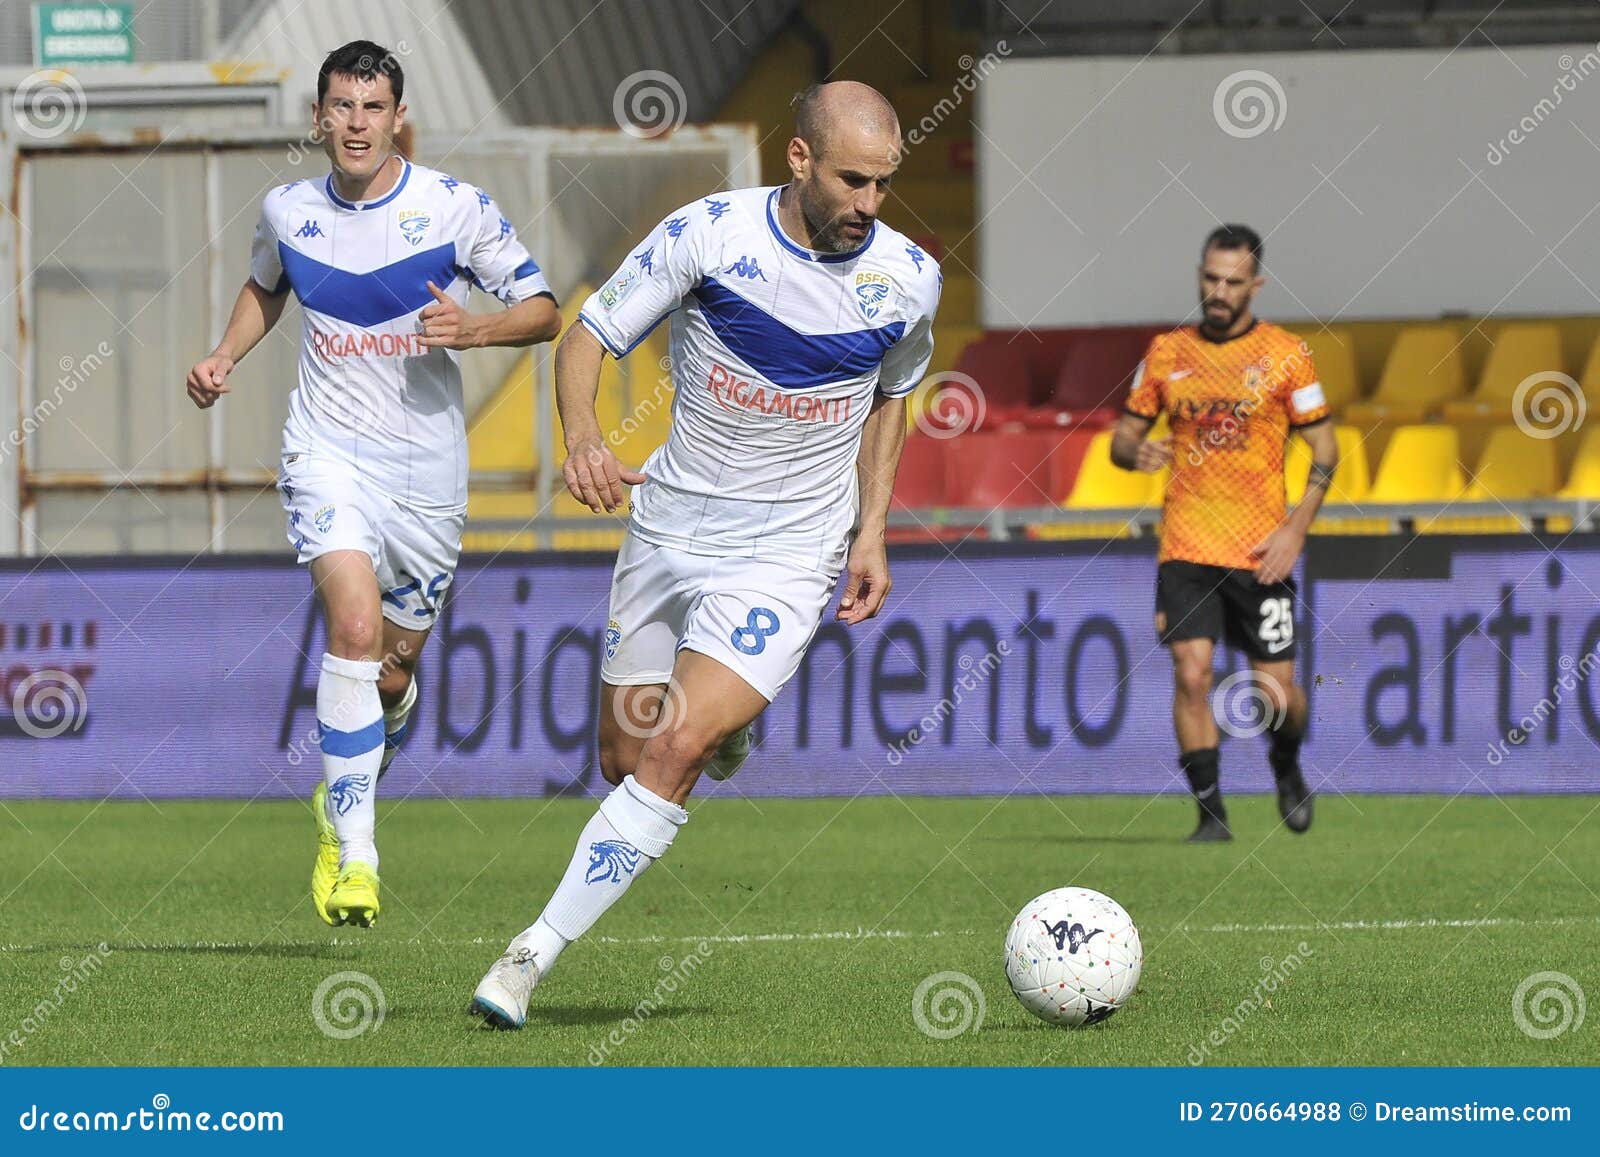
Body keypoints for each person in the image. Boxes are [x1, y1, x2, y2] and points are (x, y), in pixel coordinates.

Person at [468, 80, 941, 1028]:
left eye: (885, 185)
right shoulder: (707, 236)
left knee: (674, 747)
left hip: (788, 553)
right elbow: (587, 338)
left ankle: (529, 955)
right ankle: (730, 726)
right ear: (799, 159)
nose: (869, 205)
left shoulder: (909, 277)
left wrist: (871, 529)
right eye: (854, 180)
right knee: (625, 754)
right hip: (670, 529)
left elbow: (893, 397)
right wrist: (585, 439)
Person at [185, 40, 560, 925]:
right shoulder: (286, 209)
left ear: (399, 120)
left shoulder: (454, 209)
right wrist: (223, 353)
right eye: (341, 107)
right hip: (327, 451)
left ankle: (351, 779)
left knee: (390, 670)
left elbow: (545, 312)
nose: (355, 124)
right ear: (319, 118)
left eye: (372, 107)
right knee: (351, 625)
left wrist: (474, 332)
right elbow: (265, 286)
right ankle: (357, 853)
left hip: (426, 469)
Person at [1110, 224, 1338, 842]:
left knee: (1277, 693)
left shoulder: (1288, 355)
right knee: (1192, 673)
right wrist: (1137, 453)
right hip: (1186, 545)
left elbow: (1325, 447)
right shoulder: (1166, 352)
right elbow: (1122, 441)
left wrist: (1296, 529)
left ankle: (1286, 765)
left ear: (1255, 285)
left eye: (1233, 282)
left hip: (1262, 549)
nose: (1218, 291)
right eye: (1210, 278)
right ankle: (1210, 816)